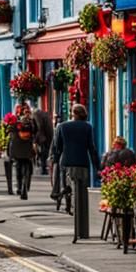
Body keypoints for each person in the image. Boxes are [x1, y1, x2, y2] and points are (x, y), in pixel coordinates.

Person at [51, 104, 100, 238]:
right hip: (82, 163)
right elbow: (92, 148)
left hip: (66, 162)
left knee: (68, 186)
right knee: (81, 191)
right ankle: (81, 223)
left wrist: (54, 162)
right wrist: (97, 167)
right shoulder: (88, 127)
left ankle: (69, 206)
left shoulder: (62, 126)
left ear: (73, 113)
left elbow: (57, 148)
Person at [8, 103, 37, 200]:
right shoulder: (31, 125)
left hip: (17, 150)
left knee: (18, 169)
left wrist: (9, 153)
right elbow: (36, 133)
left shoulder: (15, 125)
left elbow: (10, 138)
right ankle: (25, 187)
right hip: (27, 151)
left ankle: (19, 187)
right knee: (28, 170)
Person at [32, 102, 54, 176]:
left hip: (42, 138)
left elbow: (38, 127)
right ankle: (44, 168)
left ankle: (43, 168)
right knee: (44, 153)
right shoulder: (45, 115)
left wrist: (35, 139)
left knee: (42, 153)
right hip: (46, 137)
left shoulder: (36, 115)